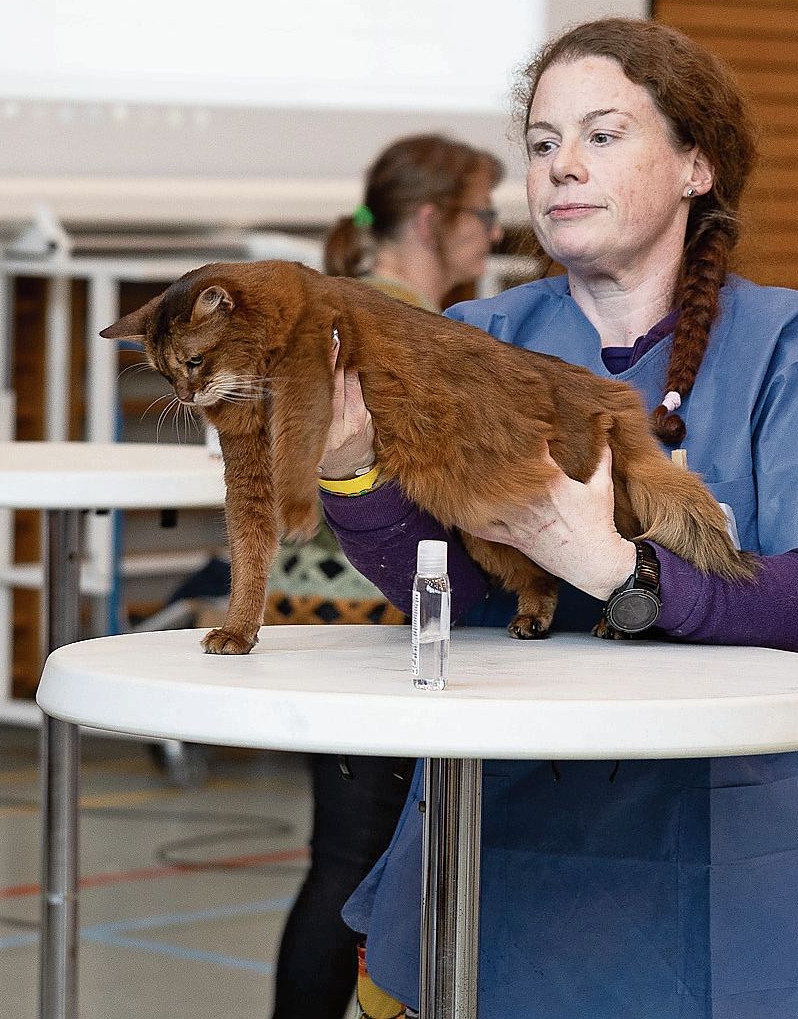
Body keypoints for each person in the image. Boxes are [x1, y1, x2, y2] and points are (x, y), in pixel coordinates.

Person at [317, 18, 798, 1016]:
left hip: (741, 865)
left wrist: (618, 571)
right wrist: (354, 475)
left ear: (695, 166)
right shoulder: (469, 338)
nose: (561, 166)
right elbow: (457, 595)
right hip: (506, 841)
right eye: (543, 142)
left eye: (602, 136)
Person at [270, 134, 504, 1019]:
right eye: (483, 214)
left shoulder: (343, 305)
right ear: (433, 220)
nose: (494, 233)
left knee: (342, 861)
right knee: (353, 870)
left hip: (313, 613)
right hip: (370, 619)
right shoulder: (400, 325)